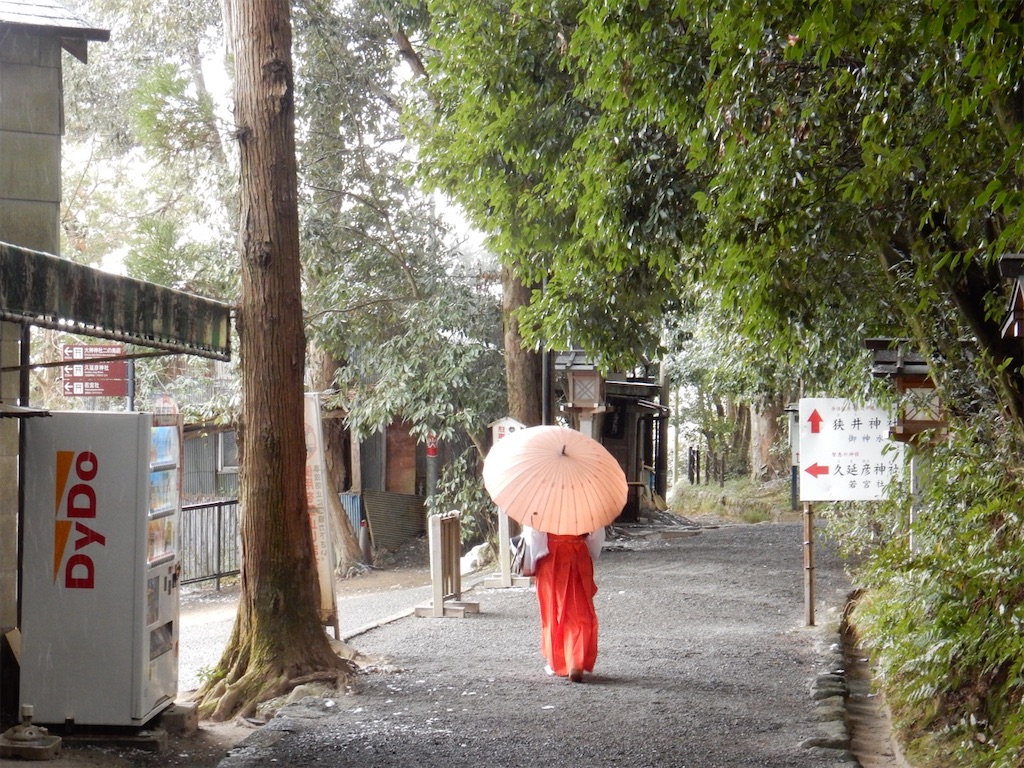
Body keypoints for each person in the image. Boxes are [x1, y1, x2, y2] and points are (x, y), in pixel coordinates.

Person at [522, 525, 606, 683]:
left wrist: (533, 561)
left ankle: (558, 661)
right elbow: (596, 536)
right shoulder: (586, 504)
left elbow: (534, 534)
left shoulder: (544, 504)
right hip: (578, 553)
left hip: (551, 555)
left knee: (552, 609)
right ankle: (576, 661)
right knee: (580, 608)